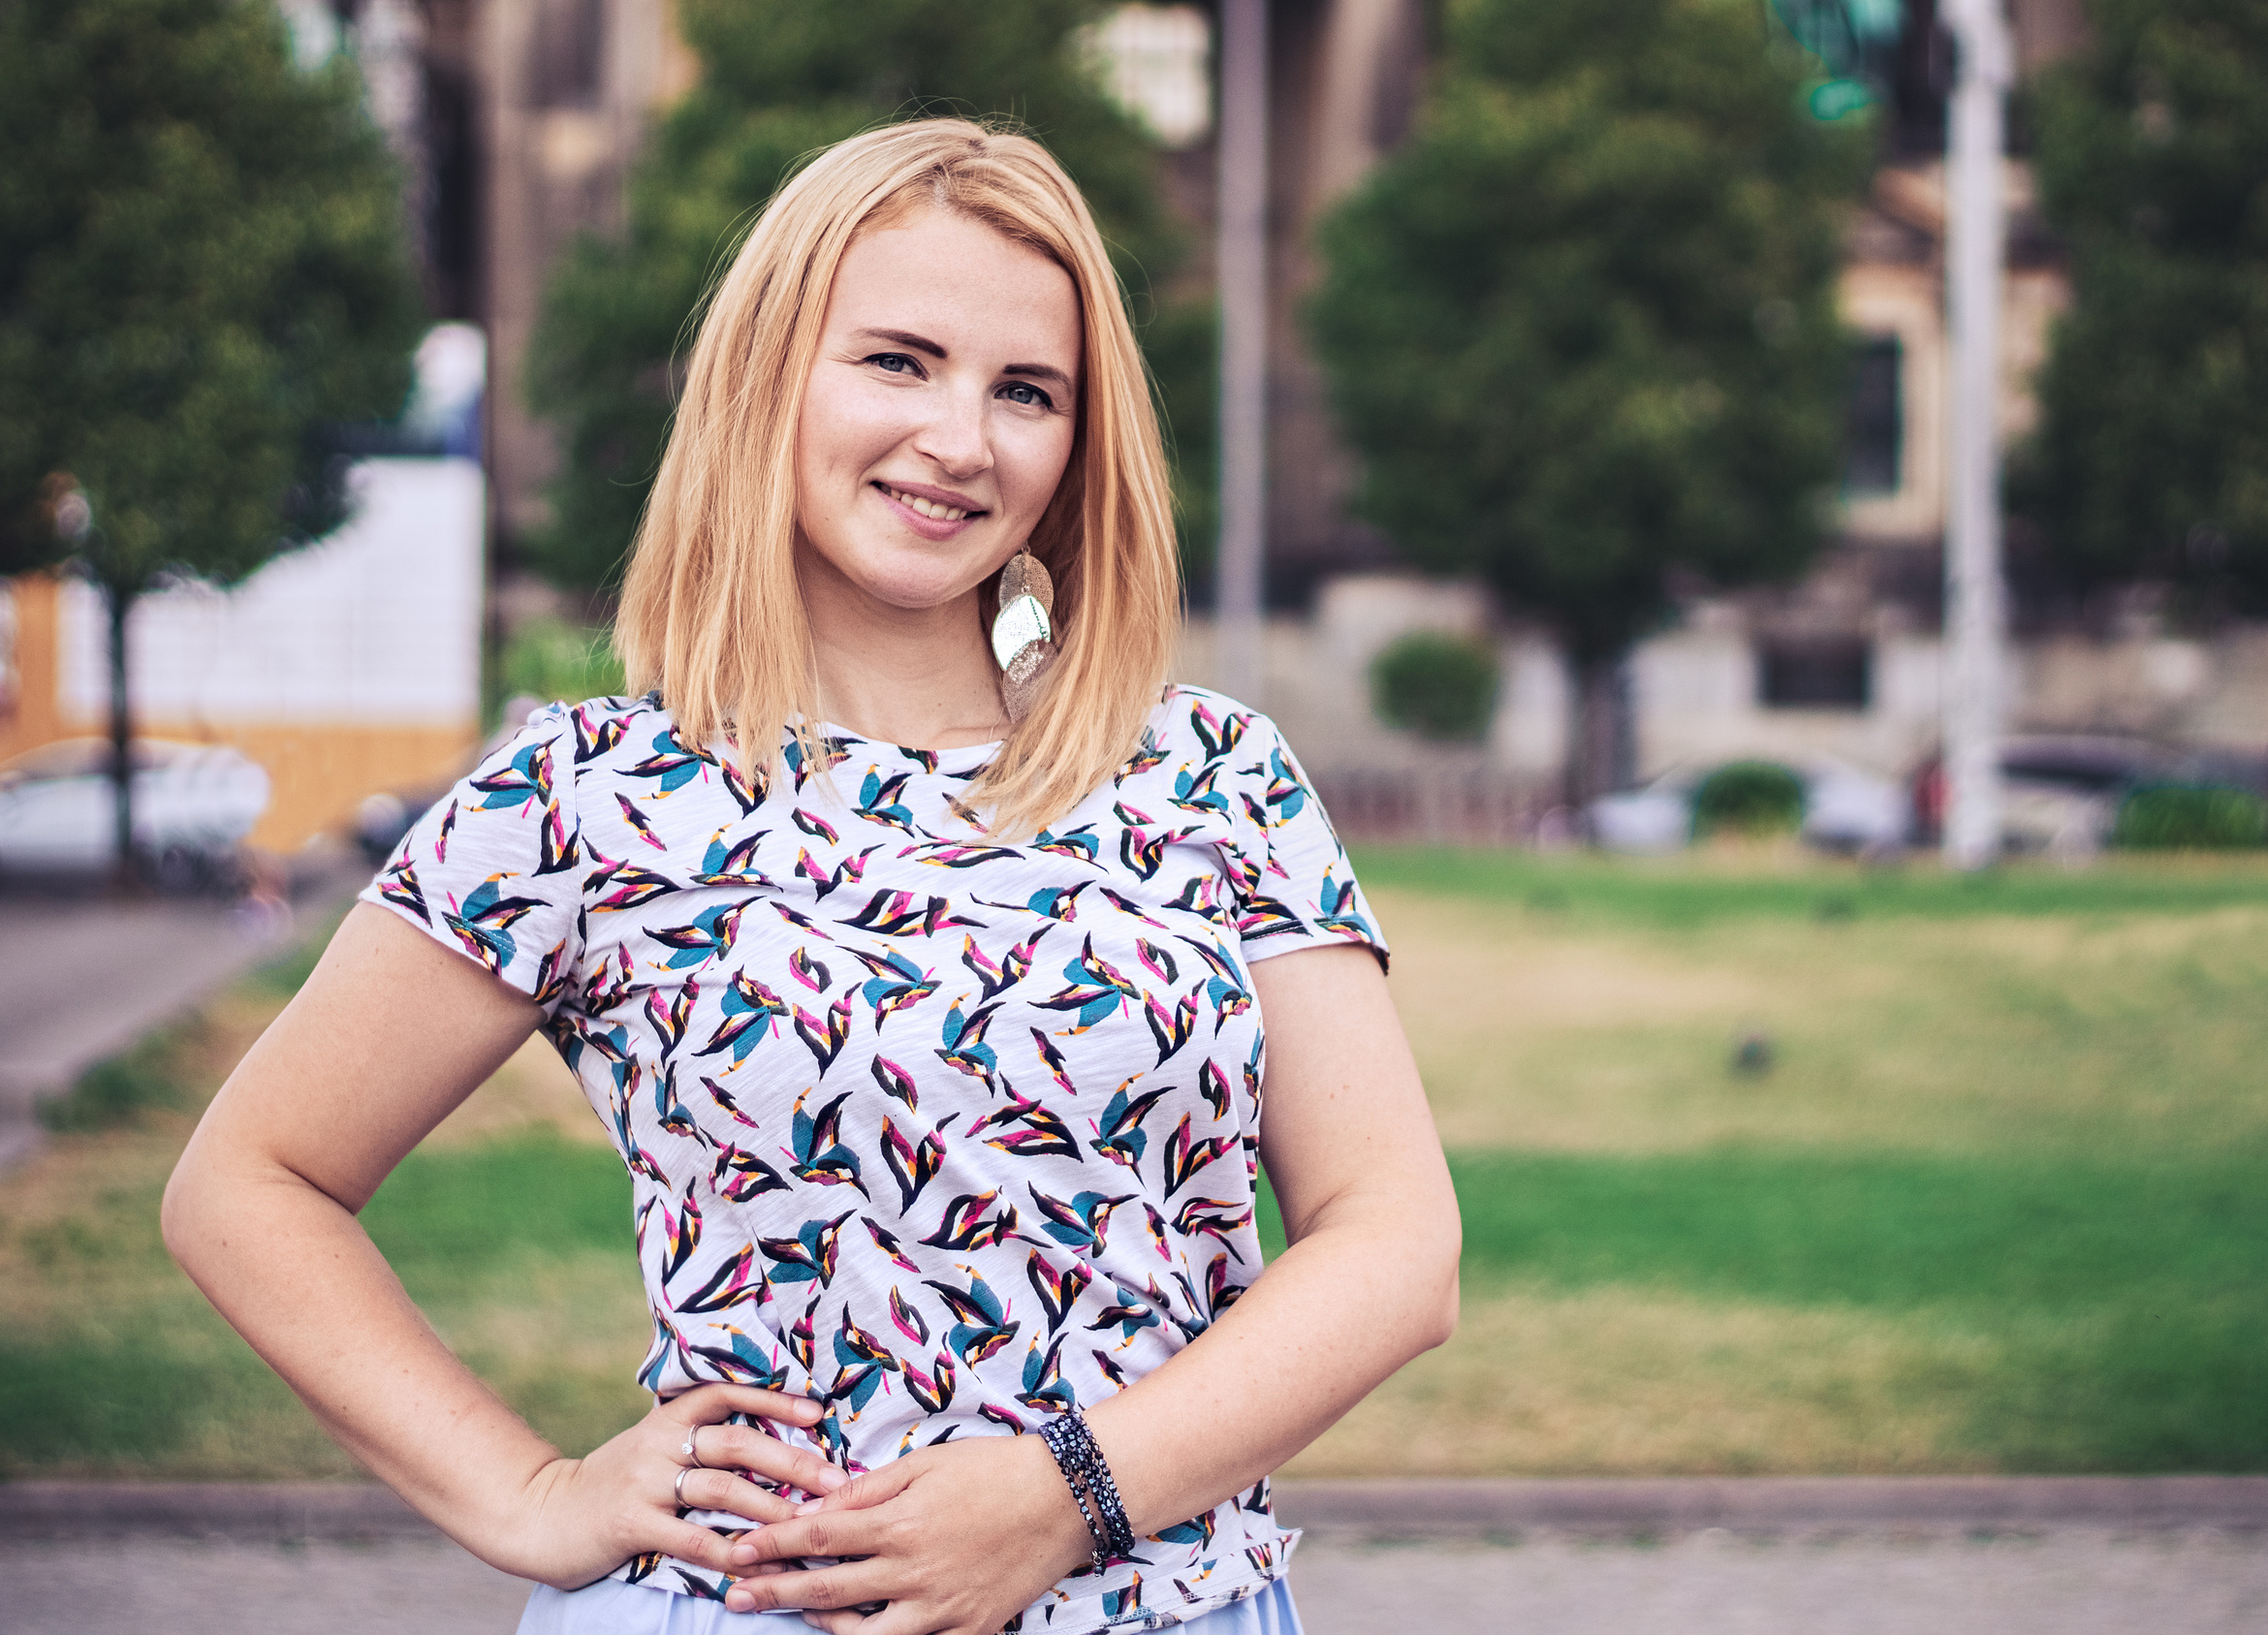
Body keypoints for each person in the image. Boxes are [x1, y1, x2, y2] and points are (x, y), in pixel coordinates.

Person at [163, 118, 1461, 1635]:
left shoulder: (1211, 775)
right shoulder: (591, 797)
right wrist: (527, 1496)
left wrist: (1062, 1494)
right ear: (770, 376)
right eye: (898, 362)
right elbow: (248, 1186)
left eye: (1025, 391)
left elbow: (1396, 1245)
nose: (961, 440)